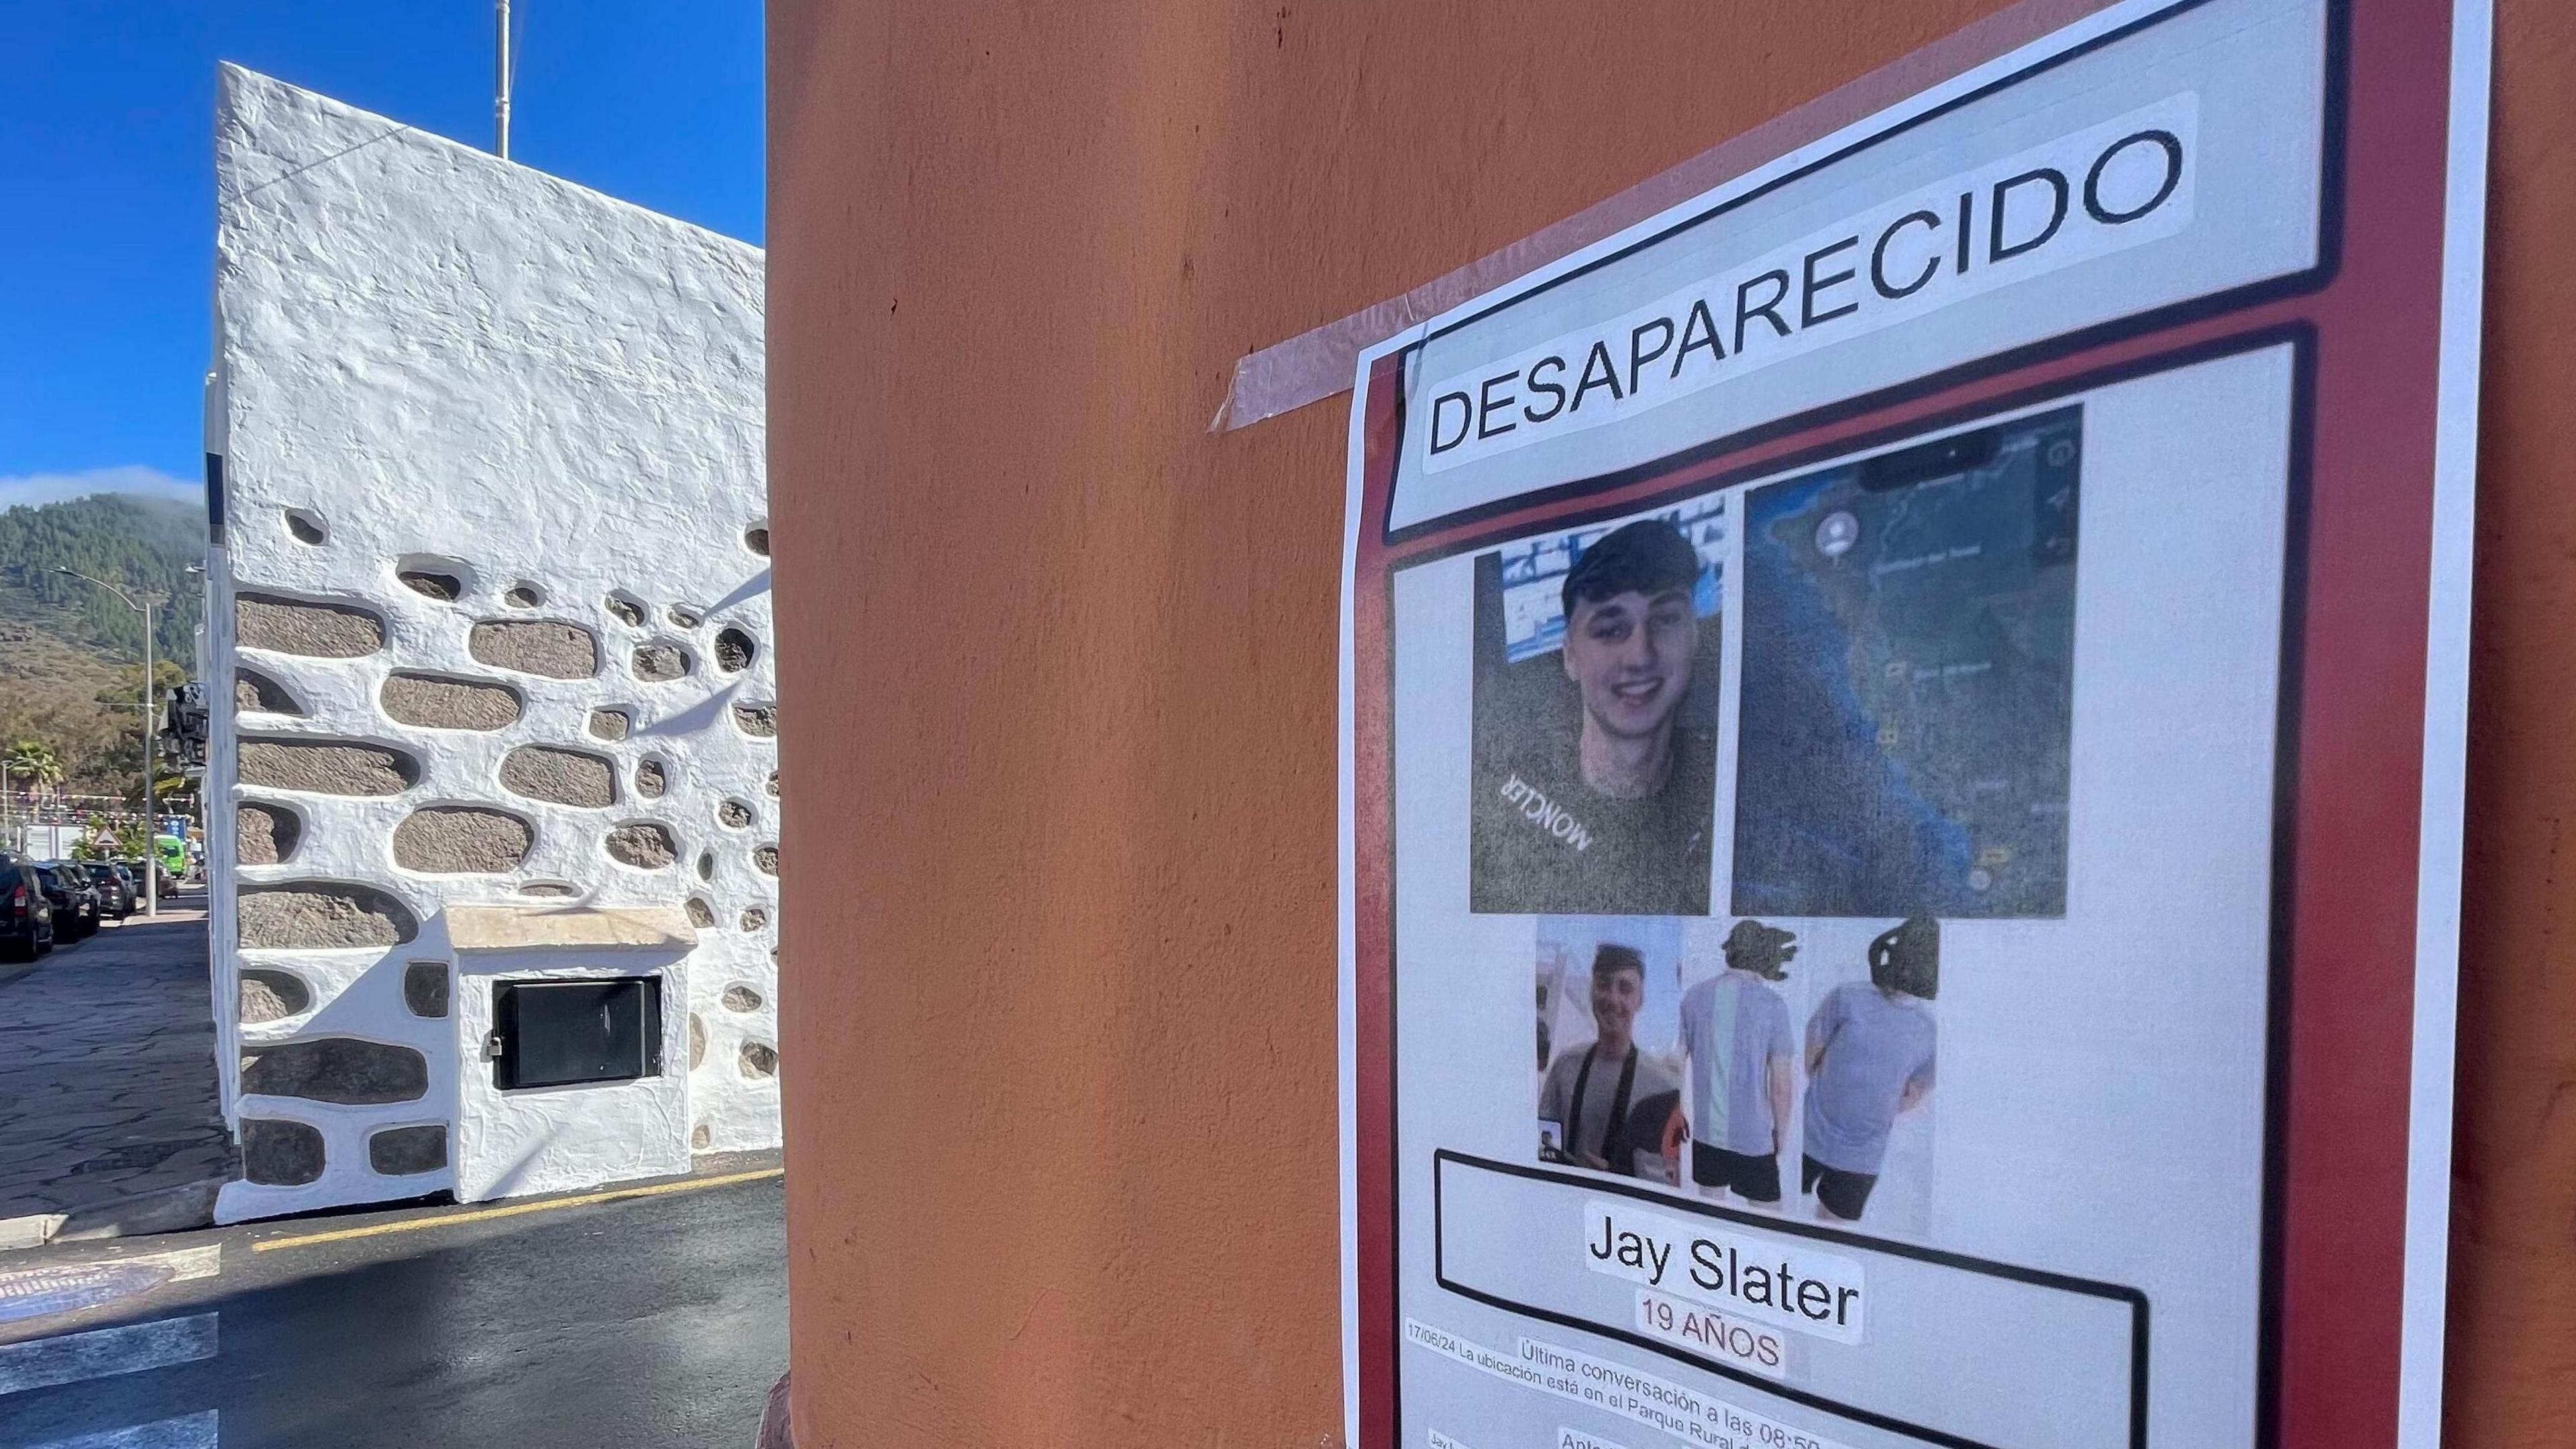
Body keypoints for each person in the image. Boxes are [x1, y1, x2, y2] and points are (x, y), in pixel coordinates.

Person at [1472, 517, 1717, 915]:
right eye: (1610, 630)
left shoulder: (1732, 777)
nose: (1641, 656)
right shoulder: (1502, 802)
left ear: (1694, 634)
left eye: (1666, 620)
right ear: (1570, 656)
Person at [1801, 916, 1939, 1222]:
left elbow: (1914, 1093)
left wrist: (1874, 1111)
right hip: (1811, 1133)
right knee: (1783, 1210)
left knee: (1832, 1229)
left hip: (1863, 1154)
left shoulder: (1929, 1029)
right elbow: (1813, 1053)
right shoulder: (1848, 997)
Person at [1678, 920, 1799, 1207]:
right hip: (1754, 1141)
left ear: (1729, 952)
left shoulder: (1694, 997)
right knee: (1766, 1226)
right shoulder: (1772, 1006)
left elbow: (1675, 1064)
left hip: (1707, 1136)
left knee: (1711, 1221)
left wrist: (1677, 1110)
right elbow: (1780, 1087)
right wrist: (1781, 1135)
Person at [1537, 944, 1680, 1177]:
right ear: (1592, 990)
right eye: (1603, 985)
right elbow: (1544, 1144)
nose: (1613, 999)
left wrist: (1622, 1174)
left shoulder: (1664, 1086)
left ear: (1640, 999)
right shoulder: (1564, 1067)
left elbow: (1670, 1175)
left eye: (1625, 988)